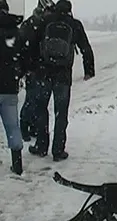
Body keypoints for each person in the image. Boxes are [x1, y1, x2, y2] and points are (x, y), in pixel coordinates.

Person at [29, 0, 95, 161]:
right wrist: (89, 71)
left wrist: (30, 66)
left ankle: (41, 146)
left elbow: (32, 44)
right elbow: (86, 48)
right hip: (63, 76)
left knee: (41, 110)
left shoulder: (45, 21)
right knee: (61, 113)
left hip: (43, 73)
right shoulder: (74, 24)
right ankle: (58, 150)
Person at [19, 3, 54, 142]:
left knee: (34, 99)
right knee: (32, 99)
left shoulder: (31, 24)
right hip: (35, 68)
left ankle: (29, 126)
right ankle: (25, 126)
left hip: (34, 68)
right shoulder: (38, 25)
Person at [0, 0, 27, 175]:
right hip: (9, 87)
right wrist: (18, 75)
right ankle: (17, 165)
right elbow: (24, 58)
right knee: (12, 127)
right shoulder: (16, 32)